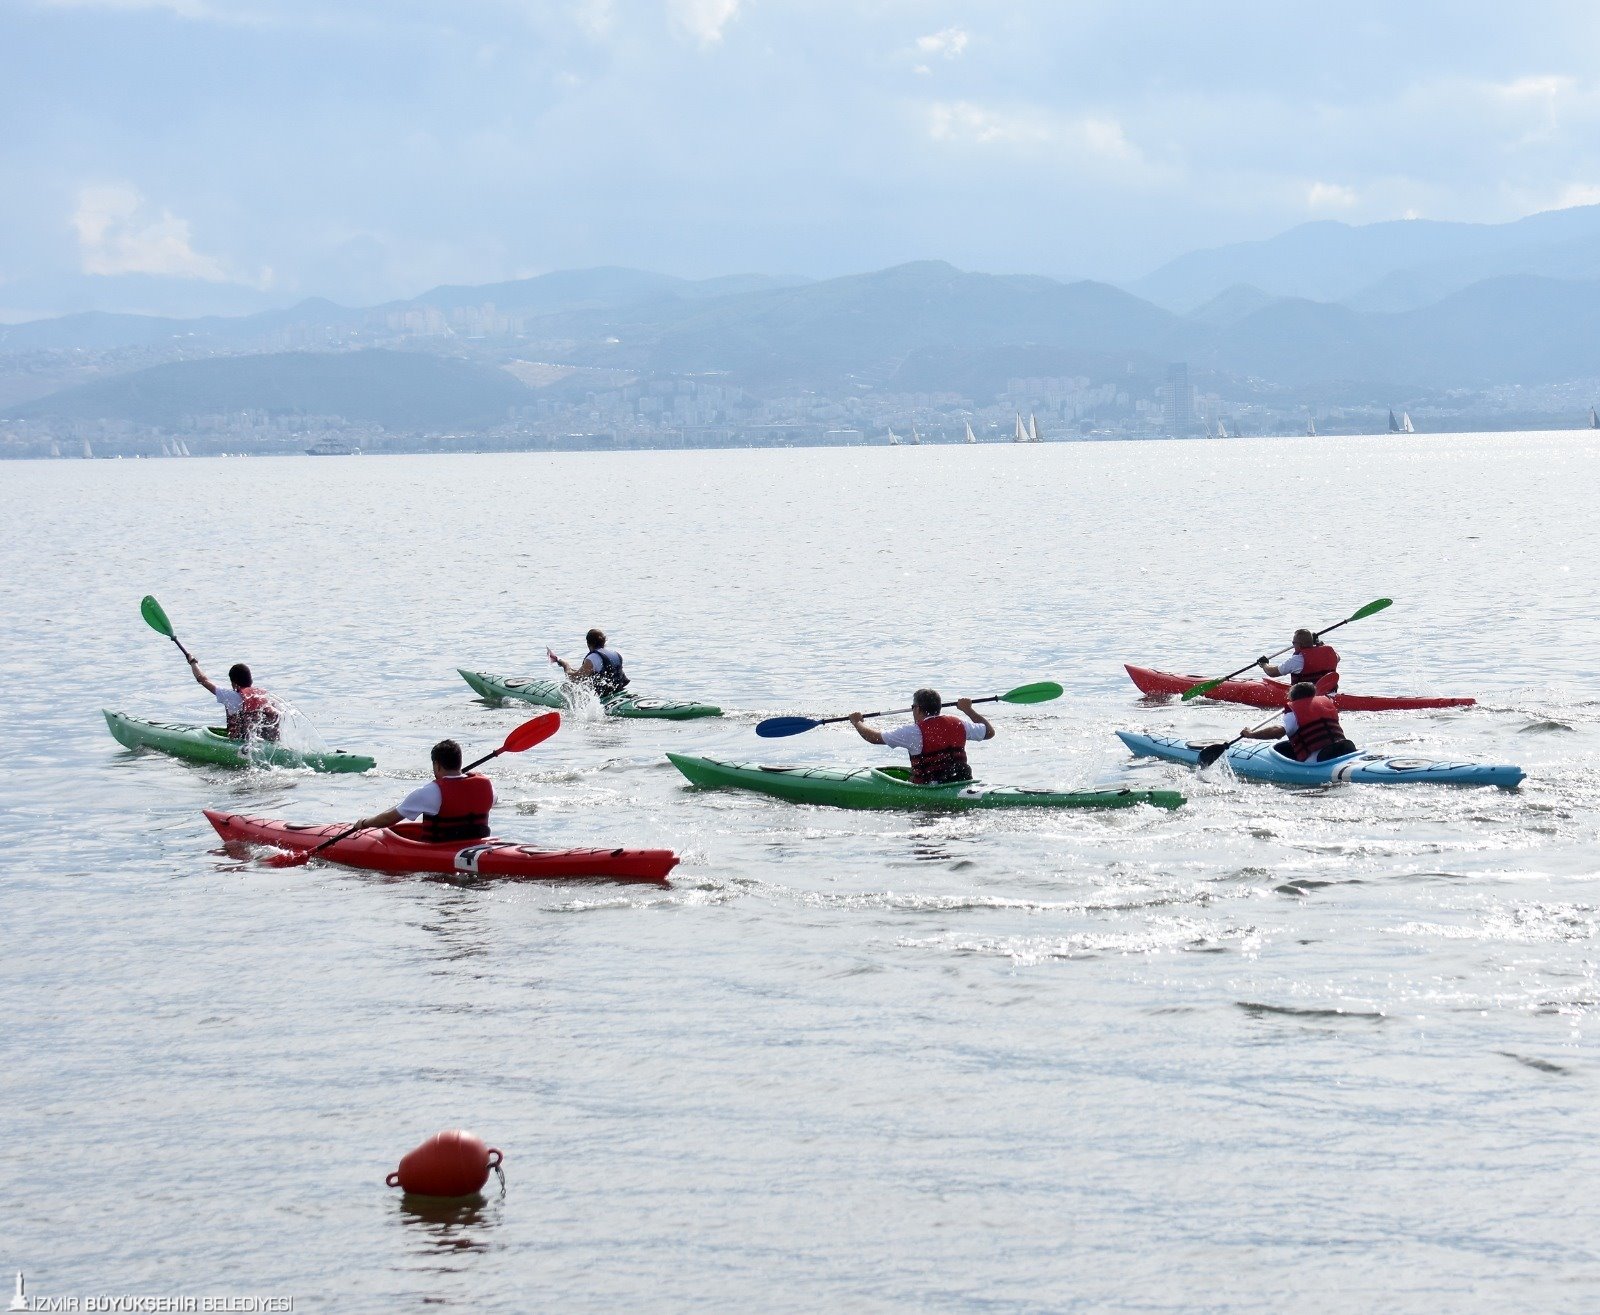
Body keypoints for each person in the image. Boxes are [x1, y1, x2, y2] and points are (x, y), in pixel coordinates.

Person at [348, 739, 495, 842]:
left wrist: (364, 823)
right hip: (478, 845)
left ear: (437, 765)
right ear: (459, 762)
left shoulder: (431, 791)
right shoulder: (487, 785)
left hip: (443, 850)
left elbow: (388, 820)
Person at [848, 688, 995, 784]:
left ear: (917, 709)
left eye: (913, 707)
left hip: (930, 787)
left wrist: (857, 722)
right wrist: (968, 710)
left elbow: (874, 738)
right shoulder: (959, 723)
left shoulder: (913, 732)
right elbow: (989, 732)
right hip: (961, 782)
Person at [1239, 681, 1358, 763]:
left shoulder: (1294, 712)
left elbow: (1278, 732)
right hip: (1345, 749)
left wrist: (1251, 734)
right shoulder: (1326, 704)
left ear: (1293, 698)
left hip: (1320, 759)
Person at [187, 657, 279, 741]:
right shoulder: (263, 696)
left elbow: (202, 680)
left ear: (234, 683)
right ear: (251, 681)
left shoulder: (230, 696)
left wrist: (193, 662)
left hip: (239, 743)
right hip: (261, 741)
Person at [548, 629, 629, 697]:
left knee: (568, 687)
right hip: (618, 690)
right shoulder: (616, 654)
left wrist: (565, 665)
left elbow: (575, 679)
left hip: (603, 695)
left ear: (588, 643)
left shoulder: (593, 658)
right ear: (604, 641)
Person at [1257, 628, 1339, 695]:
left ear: (1300, 644)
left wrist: (1264, 664)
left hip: (1303, 697)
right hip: (1330, 694)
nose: (1293, 645)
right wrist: (1319, 643)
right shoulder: (1331, 654)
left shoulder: (1298, 660)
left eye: (1293, 643)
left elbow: (1272, 672)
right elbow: (1337, 658)